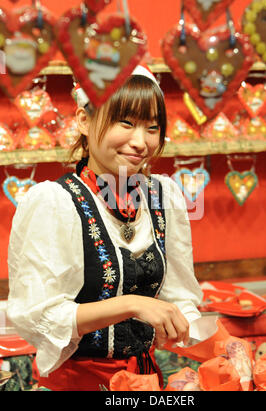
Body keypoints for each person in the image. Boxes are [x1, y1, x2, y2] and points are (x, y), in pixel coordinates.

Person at [7, 65, 213, 391]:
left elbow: (179, 299)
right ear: (84, 121)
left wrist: (223, 347)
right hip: (77, 383)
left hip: (145, 382)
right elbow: (38, 315)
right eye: (126, 123)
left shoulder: (163, 196)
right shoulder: (53, 202)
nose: (140, 142)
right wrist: (132, 304)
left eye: (152, 127)